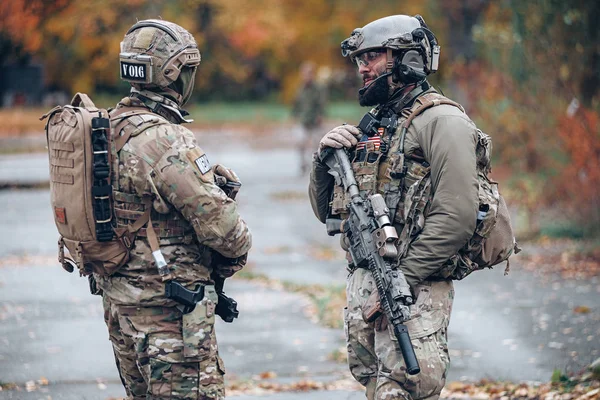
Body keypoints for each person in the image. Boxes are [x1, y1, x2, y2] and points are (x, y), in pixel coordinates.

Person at [309, 15, 480, 400]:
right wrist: (322, 162)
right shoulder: (376, 125)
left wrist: (402, 280)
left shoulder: (442, 121)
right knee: (376, 389)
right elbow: (329, 214)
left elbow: (458, 215)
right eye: (359, 60)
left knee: (407, 388)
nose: (363, 68)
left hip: (412, 293)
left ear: (408, 60)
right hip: (366, 288)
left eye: (372, 56)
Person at [95, 19, 252, 399]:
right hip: (171, 319)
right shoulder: (164, 139)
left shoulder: (104, 129)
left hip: (121, 312)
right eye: (187, 70)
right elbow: (227, 232)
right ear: (172, 74)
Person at [292, 62, 327, 175]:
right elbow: (296, 103)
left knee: (317, 144)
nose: (306, 76)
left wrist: (320, 115)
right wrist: (294, 115)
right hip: (304, 120)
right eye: (304, 73)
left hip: (315, 120)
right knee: (300, 142)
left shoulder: (318, 88)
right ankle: (303, 164)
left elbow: (321, 103)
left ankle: (316, 165)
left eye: (308, 73)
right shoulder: (301, 88)